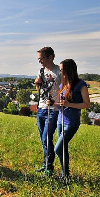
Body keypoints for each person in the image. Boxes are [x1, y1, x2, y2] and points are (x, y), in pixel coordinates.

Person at [54, 59, 90, 178]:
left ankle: (65, 174)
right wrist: (53, 103)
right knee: (63, 148)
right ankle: (65, 175)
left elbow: (86, 104)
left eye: (62, 70)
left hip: (71, 122)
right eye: (60, 70)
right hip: (61, 119)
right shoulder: (63, 85)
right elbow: (61, 103)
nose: (61, 73)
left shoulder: (81, 85)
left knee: (58, 149)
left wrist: (69, 105)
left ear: (70, 70)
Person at [34, 47, 61, 175]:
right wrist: (37, 84)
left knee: (46, 137)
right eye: (38, 59)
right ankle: (45, 165)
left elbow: (65, 91)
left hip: (53, 110)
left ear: (51, 57)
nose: (40, 61)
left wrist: (56, 102)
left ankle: (49, 167)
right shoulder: (41, 71)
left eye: (42, 58)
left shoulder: (59, 72)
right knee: (43, 139)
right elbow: (40, 91)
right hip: (41, 108)